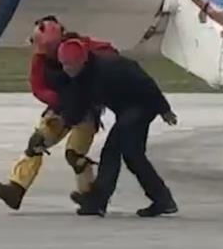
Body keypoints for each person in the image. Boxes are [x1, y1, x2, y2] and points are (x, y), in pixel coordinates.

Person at [0, 16, 115, 211]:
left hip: (86, 112)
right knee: (37, 142)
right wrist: (59, 102)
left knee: (75, 155)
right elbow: (38, 87)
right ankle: (16, 189)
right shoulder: (40, 60)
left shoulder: (83, 47)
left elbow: (108, 51)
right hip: (60, 111)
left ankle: (91, 198)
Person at [58, 38, 179, 218]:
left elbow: (145, 82)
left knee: (112, 149)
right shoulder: (80, 77)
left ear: (82, 61)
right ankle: (163, 200)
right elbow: (79, 105)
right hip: (127, 110)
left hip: (142, 105)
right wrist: (65, 122)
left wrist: (164, 109)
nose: (66, 69)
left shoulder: (108, 68)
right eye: (63, 64)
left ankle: (97, 202)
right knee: (133, 155)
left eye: (70, 65)